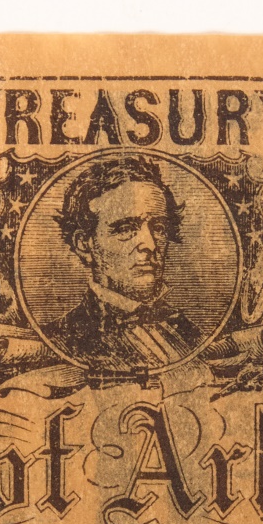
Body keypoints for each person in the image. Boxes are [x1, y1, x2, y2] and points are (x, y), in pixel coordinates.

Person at [44, 154, 206, 370]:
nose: (150, 245)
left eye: (158, 228)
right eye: (125, 229)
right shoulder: (57, 341)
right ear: (84, 244)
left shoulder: (190, 333)